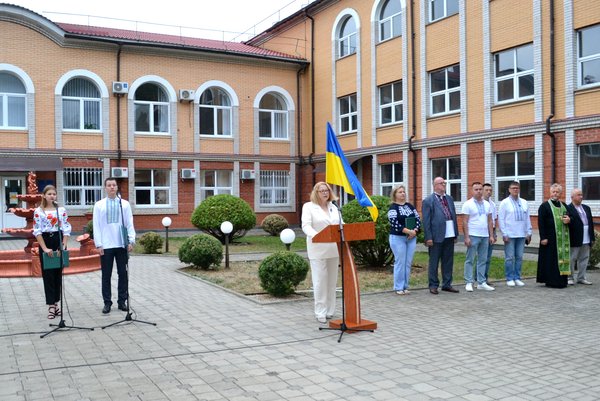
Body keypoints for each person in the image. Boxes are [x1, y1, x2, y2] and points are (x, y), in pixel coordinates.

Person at [93, 177, 136, 314]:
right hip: (106, 245)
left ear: (117, 187)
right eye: (109, 185)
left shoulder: (124, 204)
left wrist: (131, 240)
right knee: (106, 275)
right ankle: (107, 302)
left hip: (121, 244)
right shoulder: (99, 205)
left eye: (114, 185)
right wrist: (99, 244)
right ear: (105, 188)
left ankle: (122, 301)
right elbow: (96, 225)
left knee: (123, 273)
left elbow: (129, 223)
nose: (112, 187)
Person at [301, 182, 340, 323]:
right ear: (316, 193)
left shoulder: (334, 207)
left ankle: (330, 310)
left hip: (334, 249)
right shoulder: (309, 207)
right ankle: (320, 312)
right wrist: (316, 235)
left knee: (331, 281)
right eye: (321, 191)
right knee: (320, 281)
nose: (325, 193)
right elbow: (305, 225)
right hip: (318, 248)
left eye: (327, 191)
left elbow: (341, 224)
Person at [33, 185, 71, 319]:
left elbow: (66, 228)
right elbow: (37, 231)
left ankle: (56, 303)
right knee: (48, 275)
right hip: (46, 241)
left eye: (54, 194)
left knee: (57, 274)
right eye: (49, 194)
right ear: (44, 195)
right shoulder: (39, 211)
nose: (52, 196)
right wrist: (44, 248)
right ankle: (51, 305)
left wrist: (63, 245)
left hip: (58, 239)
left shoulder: (60, 210)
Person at [422, 177, 459, 294]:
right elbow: (426, 221)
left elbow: (453, 216)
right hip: (436, 236)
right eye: (441, 183)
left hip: (449, 233)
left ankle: (447, 284)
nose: (444, 185)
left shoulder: (449, 198)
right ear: (435, 185)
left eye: (444, 183)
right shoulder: (428, 201)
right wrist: (428, 237)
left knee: (448, 261)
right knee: (434, 261)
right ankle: (433, 285)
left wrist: (456, 233)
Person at [388, 185, 421, 295]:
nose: (403, 194)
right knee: (400, 262)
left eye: (404, 192)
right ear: (395, 194)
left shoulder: (410, 206)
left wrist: (415, 231)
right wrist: (408, 231)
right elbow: (394, 224)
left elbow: (417, 219)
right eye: (400, 192)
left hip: (411, 238)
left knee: (407, 263)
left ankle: (405, 286)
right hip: (398, 238)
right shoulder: (393, 208)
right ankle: (398, 287)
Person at [462, 182, 495, 292]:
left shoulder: (487, 204)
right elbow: (465, 222)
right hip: (473, 235)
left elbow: (490, 221)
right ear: (472, 191)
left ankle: (481, 282)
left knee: (483, 259)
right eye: (476, 189)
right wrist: (466, 237)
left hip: (485, 236)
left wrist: (491, 235)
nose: (479, 191)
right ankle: (468, 282)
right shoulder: (468, 204)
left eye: (480, 189)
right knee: (470, 259)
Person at [498, 181, 532, 287]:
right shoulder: (504, 203)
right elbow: (501, 219)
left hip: (521, 234)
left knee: (519, 257)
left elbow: (527, 218)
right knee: (509, 257)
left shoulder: (524, 202)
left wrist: (529, 232)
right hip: (510, 234)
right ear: (509, 190)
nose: (515, 190)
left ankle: (517, 277)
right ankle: (509, 278)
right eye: (513, 188)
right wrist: (504, 233)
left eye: (517, 188)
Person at [537, 183, 570, 289]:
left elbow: (570, 216)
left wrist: (569, 219)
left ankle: (561, 281)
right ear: (550, 193)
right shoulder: (544, 206)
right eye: (553, 192)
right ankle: (551, 281)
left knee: (560, 259)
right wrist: (543, 237)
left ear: (561, 193)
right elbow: (541, 223)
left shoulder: (564, 205)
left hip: (562, 239)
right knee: (550, 260)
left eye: (557, 192)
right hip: (550, 238)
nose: (555, 194)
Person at [566, 188, 595, 285]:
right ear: (572, 197)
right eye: (578, 195)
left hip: (586, 237)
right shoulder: (568, 208)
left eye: (581, 195)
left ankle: (581, 277)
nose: (581, 197)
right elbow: (568, 223)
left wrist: (592, 237)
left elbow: (590, 223)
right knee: (572, 258)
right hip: (575, 237)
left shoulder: (587, 208)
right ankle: (570, 277)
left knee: (584, 258)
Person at [482, 183, 497, 284]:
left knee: (488, 257)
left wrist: (494, 234)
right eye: (486, 190)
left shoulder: (493, 204)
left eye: (490, 190)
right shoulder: (479, 203)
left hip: (491, 232)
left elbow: (494, 219)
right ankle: (478, 278)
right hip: (482, 232)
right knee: (481, 257)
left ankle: (485, 277)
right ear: (482, 191)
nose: (489, 192)